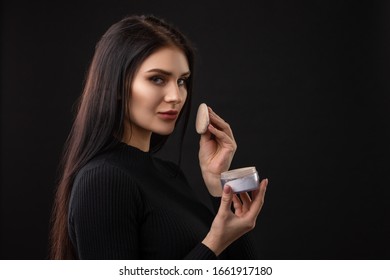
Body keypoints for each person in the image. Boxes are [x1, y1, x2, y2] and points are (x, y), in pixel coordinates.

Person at [50, 14, 268, 260]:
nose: (176, 96)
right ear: (116, 85)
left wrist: (217, 182)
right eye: (157, 79)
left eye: (182, 81)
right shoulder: (103, 180)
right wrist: (214, 243)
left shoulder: (169, 175)